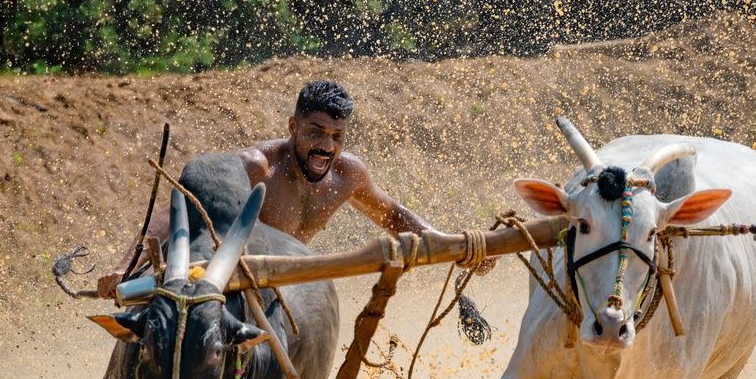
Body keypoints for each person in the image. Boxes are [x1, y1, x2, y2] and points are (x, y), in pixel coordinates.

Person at [98, 80, 489, 298]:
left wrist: (456, 248)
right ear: (292, 127)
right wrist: (125, 267)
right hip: (224, 286)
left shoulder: (348, 175)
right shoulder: (257, 166)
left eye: (337, 136)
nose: (327, 146)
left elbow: (393, 215)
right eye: (316, 132)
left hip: (284, 294)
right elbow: (181, 208)